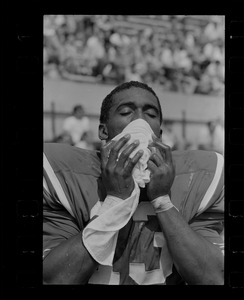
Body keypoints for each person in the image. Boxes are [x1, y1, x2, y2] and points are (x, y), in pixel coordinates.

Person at [43, 81, 224, 285]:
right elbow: (53, 278)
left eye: (151, 115)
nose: (140, 121)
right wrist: (115, 201)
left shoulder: (199, 176)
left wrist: (163, 200)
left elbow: (214, 277)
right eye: (126, 112)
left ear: (159, 134)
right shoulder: (64, 174)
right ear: (103, 131)